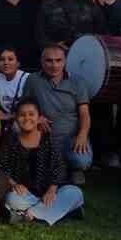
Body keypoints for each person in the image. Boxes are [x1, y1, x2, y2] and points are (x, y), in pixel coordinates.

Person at [0, 100, 84, 225]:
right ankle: (62, 212)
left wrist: (52, 190)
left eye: (31, 114)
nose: (27, 118)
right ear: (16, 118)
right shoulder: (9, 141)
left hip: (49, 194)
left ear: (39, 118)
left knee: (75, 193)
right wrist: (14, 184)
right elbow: (0, 168)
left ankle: (29, 215)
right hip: (25, 195)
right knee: (11, 199)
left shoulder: (48, 139)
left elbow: (59, 167)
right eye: (22, 115)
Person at [23, 44, 93, 182]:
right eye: (49, 61)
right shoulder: (33, 80)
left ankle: (73, 168)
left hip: (70, 137)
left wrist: (83, 135)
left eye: (58, 60)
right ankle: (59, 167)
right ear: (42, 61)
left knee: (82, 161)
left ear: (65, 61)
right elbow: (24, 107)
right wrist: (37, 118)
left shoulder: (78, 82)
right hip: (43, 136)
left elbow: (84, 113)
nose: (54, 65)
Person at [0, 47, 29, 132]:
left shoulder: (27, 78)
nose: (6, 63)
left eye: (10, 59)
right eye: (2, 59)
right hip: (8, 119)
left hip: (26, 118)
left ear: (18, 63)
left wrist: (13, 117)